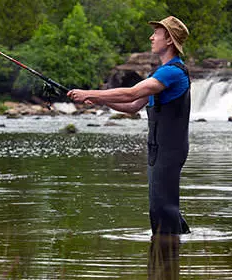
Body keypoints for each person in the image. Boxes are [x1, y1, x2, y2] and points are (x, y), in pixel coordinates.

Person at [67, 16, 191, 236]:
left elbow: (132, 92)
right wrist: (99, 100)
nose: (151, 37)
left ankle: (168, 258)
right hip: (157, 148)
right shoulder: (160, 73)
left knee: (163, 207)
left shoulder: (172, 72)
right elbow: (133, 105)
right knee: (159, 206)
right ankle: (171, 254)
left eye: (157, 33)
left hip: (169, 149)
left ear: (169, 40)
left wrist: (89, 93)